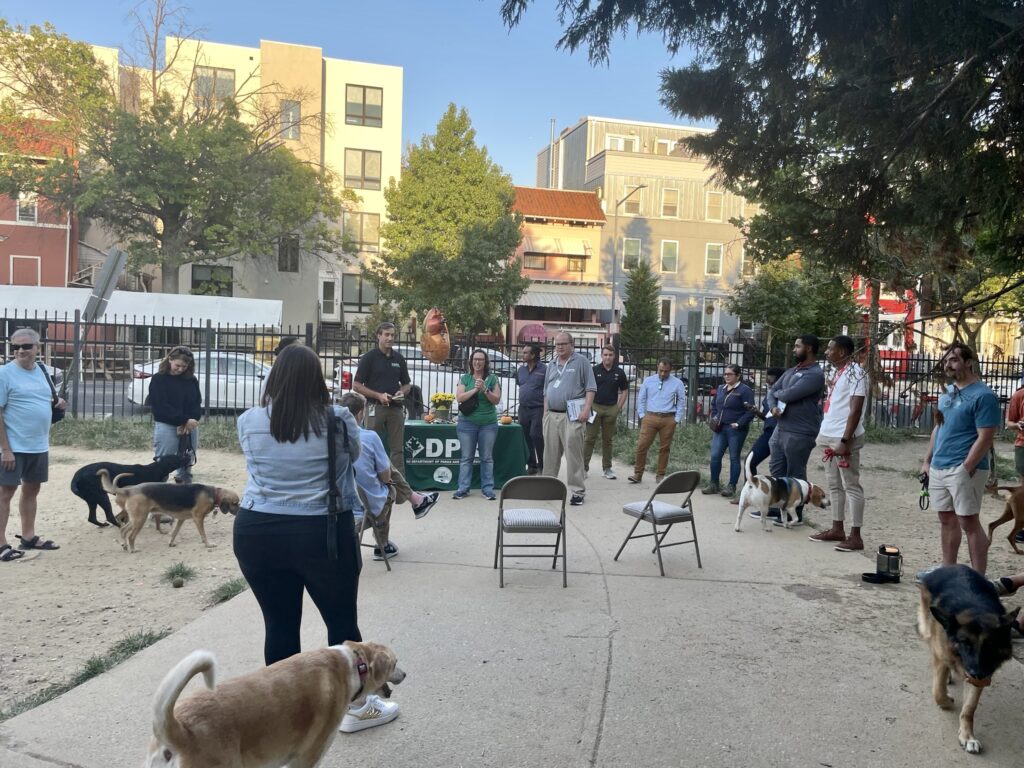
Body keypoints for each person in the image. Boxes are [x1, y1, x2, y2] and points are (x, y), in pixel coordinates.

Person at [234, 345, 398, 732]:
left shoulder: (249, 420)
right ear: (316, 381)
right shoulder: (338, 418)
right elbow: (353, 457)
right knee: (342, 624)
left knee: (279, 624)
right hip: (321, 531)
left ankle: (285, 714)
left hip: (258, 529)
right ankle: (356, 708)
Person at [919, 343, 1000, 575]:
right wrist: (927, 461)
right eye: (945, 361)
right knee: (946, 519)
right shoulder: (947, 392)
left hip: (965, 469)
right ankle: (948, 571)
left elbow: (986, 437)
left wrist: (967, 467)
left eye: (953, 360)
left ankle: (978, 579)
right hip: (939, 466)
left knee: (969, 522)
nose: (948, 365)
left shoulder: (983, 396)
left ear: (968, 362)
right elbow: (938, 427)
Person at [340, 392, 439, 560]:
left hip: (336, 505)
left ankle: (416, 500)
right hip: (364, 508)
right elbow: (385, 477)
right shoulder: (369, 437)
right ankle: (382, 545)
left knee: (381, 470)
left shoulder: (326, 439)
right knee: (388, 486)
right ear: (359, 414)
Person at [0, 328, 66, 561]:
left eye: (26, 346)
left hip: (38, 444)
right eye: (15, 347)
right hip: (13, 446)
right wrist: (5, 449)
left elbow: (46, 398)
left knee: (32, 489)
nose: (20, 351)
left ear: (38, 347)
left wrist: (57, 402)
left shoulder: (42, 371)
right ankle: (1, 544)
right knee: (5, 492)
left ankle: (28, 536)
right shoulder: (4, 374)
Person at [809, 335, 868, 551]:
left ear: (842, 352)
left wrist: (845, 440)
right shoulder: (838, 372)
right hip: (828, 433)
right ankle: (837, 528)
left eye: (830, 348)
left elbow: (856, 408)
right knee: (834, 484)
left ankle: (856, 535)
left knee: (851, 485)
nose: (826, 352)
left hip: (843, 437)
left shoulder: (857, 374)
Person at [763, 335, 825, 525]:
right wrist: (773, 406)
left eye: (797, 346)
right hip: (781, 428)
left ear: (808, 349)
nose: (794, 349)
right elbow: (772, 391)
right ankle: (777, 508)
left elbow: (789, 394)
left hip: (800, 431)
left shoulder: (815, 374)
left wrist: (778, 393)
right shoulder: (792, 370)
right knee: (777, 469)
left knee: (795, 473)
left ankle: (795, 513)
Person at [543, 331, 596, 506]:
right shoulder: (551, 364)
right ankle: (548, 487)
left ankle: (577, 491)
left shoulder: (581, 362)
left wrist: (586, 409)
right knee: (550, 454)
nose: (559, 347)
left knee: (574, 454)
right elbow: (546, 391)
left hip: (572, 416)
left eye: (563, 344)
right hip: (552, 414)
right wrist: (545, 413)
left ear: (571, 344)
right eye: (557, 344)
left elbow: (590, 388)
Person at [353, 322, 411, 475]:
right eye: (386, 334)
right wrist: (378, 395)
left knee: (397, 450)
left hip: (396, 409)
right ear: (378, 336)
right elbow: (356, 385)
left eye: (392, 335)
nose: (390, 338)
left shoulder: (399, 358)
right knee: (370, 447)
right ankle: (371, 481)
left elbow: (407, 384)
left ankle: (399, 488)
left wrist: (401, 392)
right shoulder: (369, 358)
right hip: (375, 408)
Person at [148, 346, 202, 484]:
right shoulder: (159, 379)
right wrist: (184, 419)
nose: (180, 369)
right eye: (177, 365)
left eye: (184, 366)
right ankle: (158, 494)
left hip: (189, 425)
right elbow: (160, 407)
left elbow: (197, 402)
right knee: (162, 464)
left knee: (186, 462)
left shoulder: (191, 380)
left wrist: (193, 419)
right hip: (167, 425)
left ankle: (184, 496)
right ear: (170, 359)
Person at [628, 358, 686, 485]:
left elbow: (682, 401)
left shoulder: (677, 383)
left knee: (665, 448)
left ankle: (660, 475)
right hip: (650, 417)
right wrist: (643, 415)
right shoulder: (648, 381)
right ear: (657, 368)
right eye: (660, 370)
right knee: (642, 445)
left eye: (666, 371)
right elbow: (642, 399)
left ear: (671, 370)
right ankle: (638, 474)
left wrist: (676, 419)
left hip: (668, 418)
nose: (663, 374)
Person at [453, 349, 501, 500]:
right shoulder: (465, 378)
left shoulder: (492, 379)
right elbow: (459, 397)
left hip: (488, 423)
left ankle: (487, 489)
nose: (477, 362)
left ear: (485, 362)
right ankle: (463, 488)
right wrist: (475, 389)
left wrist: (485, 389)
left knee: (486, 457)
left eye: (481, 359)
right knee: (467, 457)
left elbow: (496, 400)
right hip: (467, 423)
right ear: (471, 362)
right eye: (475, 359)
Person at [702, 364, 754, 498]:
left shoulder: (745, 390)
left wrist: (739, 423)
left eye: (730, 374)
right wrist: (715, 417)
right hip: (720, 427)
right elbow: (714, 405)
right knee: (715, 456)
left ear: (738, 376)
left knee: (734, 457)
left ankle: (731, 486)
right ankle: (714, 484)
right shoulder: (721, 388)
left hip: (735, 429)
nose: (726, 376)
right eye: (725, 374)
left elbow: (750, 411)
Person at [584, 345, 629, 480]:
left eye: (610, 355)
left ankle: (607, 468)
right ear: (601, 356)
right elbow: (587, 389)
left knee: (608, 440)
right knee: (589, 439)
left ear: (614, 356)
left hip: (611, 409)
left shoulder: (619, 372)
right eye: (605, 355)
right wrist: (588, 406)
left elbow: (625, 390)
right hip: (595, 407)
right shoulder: (594, 370)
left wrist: (618, 408)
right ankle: (583, 468)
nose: (607, 357)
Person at [516, 343, 546, 475]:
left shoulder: (544, 369)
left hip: (538, 408)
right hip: (523, 408)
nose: (523, 355)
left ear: (533, 355)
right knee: (525, 436)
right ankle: (531, 464)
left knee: (536, 435)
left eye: (525, 353)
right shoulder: (521, 370)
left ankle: (543, 464)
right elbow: (521, 384)